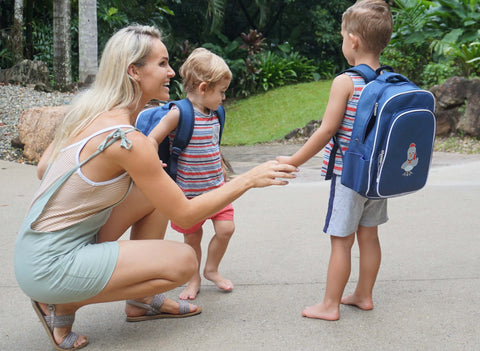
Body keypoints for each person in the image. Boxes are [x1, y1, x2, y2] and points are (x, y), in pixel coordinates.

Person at [14, 25, 297, 350]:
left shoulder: (89, 112)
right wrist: (248, 179)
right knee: (183, 262)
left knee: (153, 195)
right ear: (134, 71)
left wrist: (114, 177)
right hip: (50, 267)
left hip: (33, 250)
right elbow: (185, 211)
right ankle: (62, 304)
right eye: (162, 64)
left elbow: (43, 169)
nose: (171, 71)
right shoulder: (127, 140)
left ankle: (140, 302)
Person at [276, 0, 392, 321]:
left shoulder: (347, 81)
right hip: (377, 177)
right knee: (369, 236)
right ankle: (364, 295)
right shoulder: (390, 81)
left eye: (343, 37)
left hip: (349, 176)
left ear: (352, 40)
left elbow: (326, 131)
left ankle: (330, 305)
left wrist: (294, 160)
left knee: (341, 241)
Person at [147, 48, 235, 300]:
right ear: (204, 88)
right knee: (192, 238)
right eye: (221, 91)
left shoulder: (216, 112)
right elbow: (153, 139)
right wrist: (153, 161)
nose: (224, 97)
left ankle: (211, 269)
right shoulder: (179, 113)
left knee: (226, 229)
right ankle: (193, 278)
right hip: (188, 195)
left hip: (217, 189)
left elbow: (212, 146)